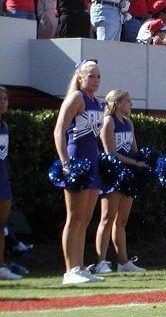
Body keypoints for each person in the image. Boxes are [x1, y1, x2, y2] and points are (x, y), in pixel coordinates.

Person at [53, 60, 105, 284]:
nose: (96, 80)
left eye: (98, 76)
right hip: (76, 160)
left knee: (85, 219)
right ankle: (70, 271)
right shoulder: (76, 98)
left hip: (92, 161)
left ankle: (80, 267)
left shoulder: (98, 102)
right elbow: (59, 132)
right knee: (74, 218)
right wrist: (66, 163)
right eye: (91, 76)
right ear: (80, 77)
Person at [94, 89, 147, 274]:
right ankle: (101, 262)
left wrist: (141, 162)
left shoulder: (128, 122)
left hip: (128, 175)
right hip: (113, 173)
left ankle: (123, 263)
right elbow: (110, 152)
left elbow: (134, 151)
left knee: (122, 221)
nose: (130, 104)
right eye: (127, 101)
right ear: (116, 103)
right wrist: (135, 163)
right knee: (107, 218)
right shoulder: (108, 121)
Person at [0, 87, 21, 280]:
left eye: (6, 99)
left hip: (3, 179)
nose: (4, 102)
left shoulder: (4, 125)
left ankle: (1, 266)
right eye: (1, 99)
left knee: (2, 224)